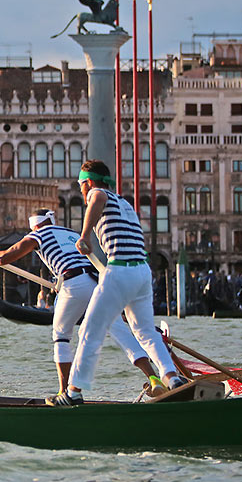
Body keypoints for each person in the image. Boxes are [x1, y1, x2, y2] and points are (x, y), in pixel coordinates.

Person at [0, 208, 168, 397]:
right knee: (119, 330)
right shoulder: (71, 234)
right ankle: (154, 378)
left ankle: (64, 392)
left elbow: (5, 257)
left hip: (74, 283)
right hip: (97, 282)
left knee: (61, 335)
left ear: (34, 225)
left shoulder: (37, 235)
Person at [46, 160, 186, 406]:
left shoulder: (97, 193)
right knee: (145, 332)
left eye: (81, 185)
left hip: (120, 270)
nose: (81, 190)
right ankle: (172, 377)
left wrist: (85, 235)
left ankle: (73, 392)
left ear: (88, 182)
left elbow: (96, 199)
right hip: (142, 272)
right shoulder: (125, 202)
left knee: (89, 329)